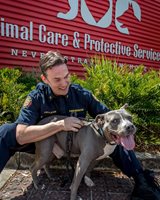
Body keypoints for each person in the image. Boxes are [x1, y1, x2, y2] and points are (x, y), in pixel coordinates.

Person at [0, 51, 159, 200]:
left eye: (66, 76)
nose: (64, 83)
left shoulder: (82, 94)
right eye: (57, 79)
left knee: (118, 133)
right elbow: (21, 134)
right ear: (44, 79)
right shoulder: (36, 98)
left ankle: (141, 179)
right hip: (40, 141)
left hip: (74, 142)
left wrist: (123, 126)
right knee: (6, 131)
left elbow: (110, 118)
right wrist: (60, 125)